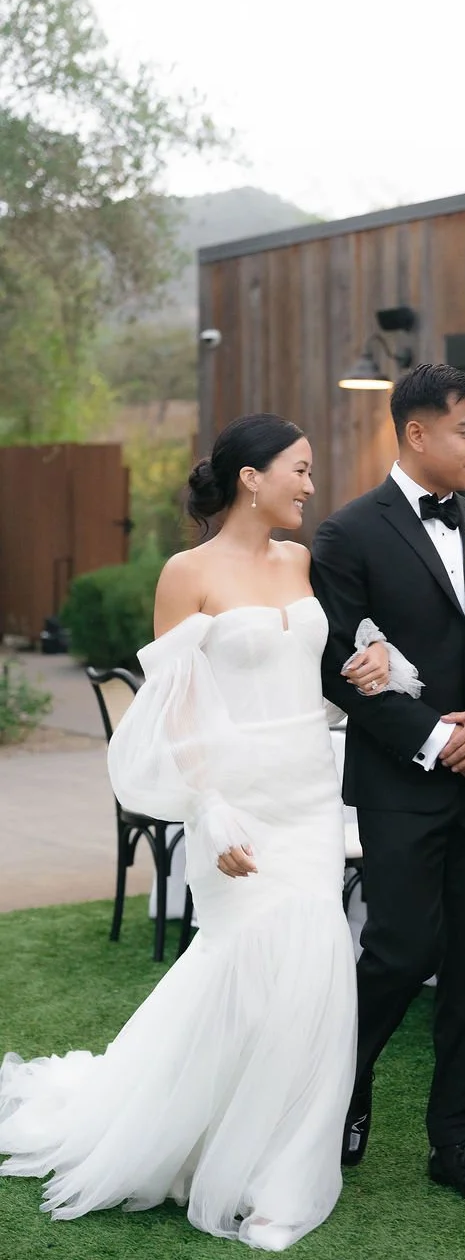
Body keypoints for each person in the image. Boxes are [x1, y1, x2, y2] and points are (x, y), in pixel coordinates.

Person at [0, 413, 402, 1252]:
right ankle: (194, 1138)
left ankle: (281, 1172)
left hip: (306, 795)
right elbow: (177, 709)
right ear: (251, 478)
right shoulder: (186, 574)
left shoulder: (303, 561)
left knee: (317, 973)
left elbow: (312, 683)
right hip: (237, 799)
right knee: (244, 970)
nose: (310, 484)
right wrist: (208, 803)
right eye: (299, 468)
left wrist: (372, 669)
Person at [311, 363, 465, 1210]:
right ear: (416, 434)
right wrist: (441, 739)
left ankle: (455, 1144)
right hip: (402, 783)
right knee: (402, 950)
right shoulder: (347, 536)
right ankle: (341, 1086)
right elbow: (340, 668)